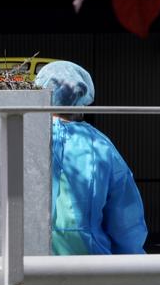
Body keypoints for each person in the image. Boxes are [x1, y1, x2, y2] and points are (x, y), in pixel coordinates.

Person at [36, 61, 147, 255]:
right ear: (82, 99)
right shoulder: (100, 145)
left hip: (28, 269)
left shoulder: (22, 138)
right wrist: (141, 270)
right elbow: (126, 223)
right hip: (91, 269)